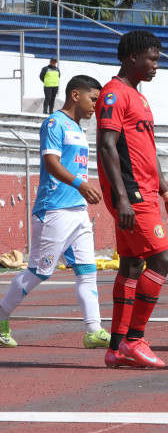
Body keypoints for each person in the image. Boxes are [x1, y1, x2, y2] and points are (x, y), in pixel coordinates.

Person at [96, 30, 168, 369]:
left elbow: (148, 151)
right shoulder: (114, 94)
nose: (156, 65)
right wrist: (121, 198)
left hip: (145, 192)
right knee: (162, 261)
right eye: (152, 58)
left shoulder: (138, 97)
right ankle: (135, 339)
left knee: (131, 265)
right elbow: (107, 145)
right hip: (131, 194)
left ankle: (116, 348)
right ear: (132, 56)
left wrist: (167, 195)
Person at [0, 76, 109, 349]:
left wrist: (82, 190)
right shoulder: (54, 123)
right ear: (75, 95)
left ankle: (93, 330)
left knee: (87, 270)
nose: (95, 106)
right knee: (39, 272)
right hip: (54, 210)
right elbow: (51, 162)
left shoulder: (78, 128)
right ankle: (1, 315)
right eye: (93, 99)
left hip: (78, 211)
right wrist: (81, 185)